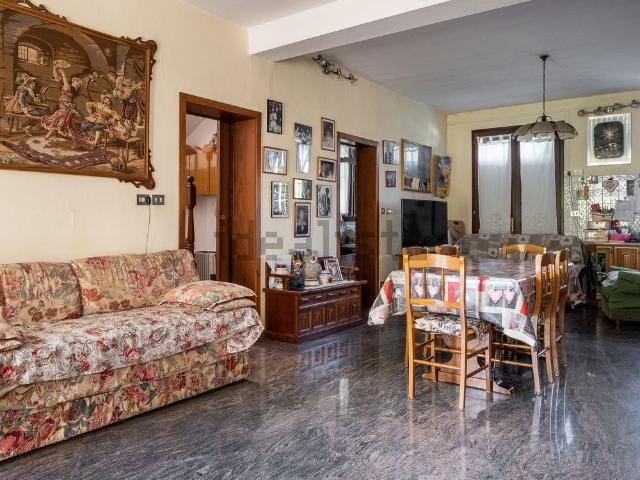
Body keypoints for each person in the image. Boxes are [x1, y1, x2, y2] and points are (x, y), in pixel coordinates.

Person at [41, 61, 96, 148]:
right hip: (64, 104)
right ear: (74, 81)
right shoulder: (68, 86)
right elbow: (59, 79)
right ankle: (74, 141)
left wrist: (62, 72)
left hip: (69, 106)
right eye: (78, 82)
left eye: (80, 83)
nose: (79, 84)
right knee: (65, 119)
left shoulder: (76, 90)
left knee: (64, 120)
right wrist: (58, 70)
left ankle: (49, 134)